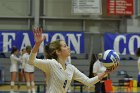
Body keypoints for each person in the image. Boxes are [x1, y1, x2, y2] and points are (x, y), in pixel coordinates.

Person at [28, 27, 116, 93]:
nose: (68, 48)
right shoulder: (51, 64)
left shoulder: (71, 68)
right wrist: (37, 44)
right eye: (65, 46)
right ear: (58, 52)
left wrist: (105, 72)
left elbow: (88, 82)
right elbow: (31, 61)